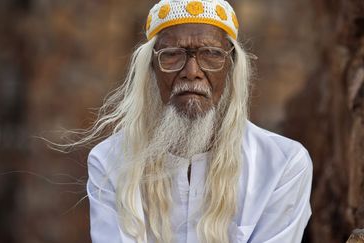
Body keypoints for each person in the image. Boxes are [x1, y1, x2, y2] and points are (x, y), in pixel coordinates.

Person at [83, 0, 313, 242]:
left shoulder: (283, 164)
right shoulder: (110, 162)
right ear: (151, 68)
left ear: (231, 66)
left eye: (211, 54)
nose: (191, 71)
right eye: (172, 55)